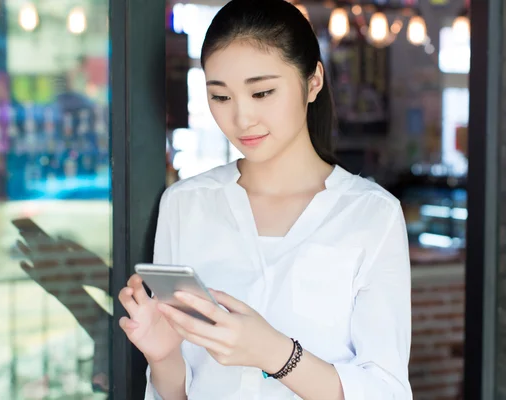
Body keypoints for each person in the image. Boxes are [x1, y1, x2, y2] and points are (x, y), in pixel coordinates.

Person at [119, 0, 412, 399]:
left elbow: (387, 392)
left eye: (262, 92)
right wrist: (163, 357)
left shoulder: (371, 215)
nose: (241, 118)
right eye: (221, 97)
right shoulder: (186, 204)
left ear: (313, 82)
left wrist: (275, 354)